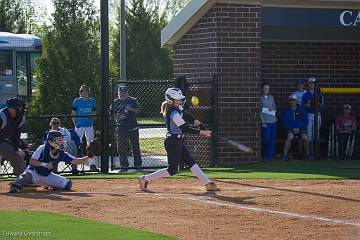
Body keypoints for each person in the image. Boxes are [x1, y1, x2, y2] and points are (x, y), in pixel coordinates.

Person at [138, 88, 219, 192]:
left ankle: (207, 183)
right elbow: (185, 128)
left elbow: (187, 115)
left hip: (178, 142)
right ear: (170, 100)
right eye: (177, 99)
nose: (180, 101)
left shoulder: (178, 109)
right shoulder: (173, 113)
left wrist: (198, 123)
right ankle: (145, 179)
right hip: (172, 143)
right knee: (172, 170)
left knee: (191, 162)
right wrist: (203, 132)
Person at [9, 130, 93, 193]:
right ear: (50, 141)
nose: (61, 142)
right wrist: (44, 164)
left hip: (46, 175)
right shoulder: (42, 148)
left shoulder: (62, 153)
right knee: (26, 176)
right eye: (58, 140)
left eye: (62, 140)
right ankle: (15, 185)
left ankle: (40, 184)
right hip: (33, 172)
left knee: (67, 185)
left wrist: (89, 156)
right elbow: (32, 162)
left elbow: (76, 161)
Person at [109, 85, 142, 169]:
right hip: (120, 127)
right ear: (118, 93)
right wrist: (119, 117)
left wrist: (130, 109)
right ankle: (124, 165)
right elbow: (111, 115)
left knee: (135, 146)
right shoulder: (115, 102)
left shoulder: (133, 100)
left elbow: (138, 111)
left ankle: (138, 165)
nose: (122, 94)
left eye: (124, 92)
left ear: (127, 93)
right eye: (121, 93)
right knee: (121, 147)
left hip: (132, 127)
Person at [71, 85, 98, 171]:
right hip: (79, 126)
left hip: (89, 126)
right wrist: (76, 124)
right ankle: (74, 165)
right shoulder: (76, 101)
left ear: (87, 92)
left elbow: (94, 113)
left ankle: (92, 164)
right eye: (80, 91)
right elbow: (73, 114)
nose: (80, 93)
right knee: (75, 144)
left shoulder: (92, 101)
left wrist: (91, 122)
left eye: (82, 91)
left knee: (91, 145)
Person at [0, 97, 27, 176]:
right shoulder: (2, 117)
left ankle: (23, 179)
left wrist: (16, 148)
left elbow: (16, 135)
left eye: (21, 108)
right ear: (10, 108)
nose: (20, 110)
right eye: (18, 108)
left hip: (2, 140)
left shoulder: (20, 119)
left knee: (16, 155)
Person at [280, 95, 310, 161]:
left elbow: (305, 121)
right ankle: (284, 155)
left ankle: (308, 155)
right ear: (289, 102)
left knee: (305, 137)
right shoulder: (286, 111)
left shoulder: (302, 110)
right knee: (290, 136)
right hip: (290, 128)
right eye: (290, 100)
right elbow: (284, 122)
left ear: (296, 101)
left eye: (293, 100)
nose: (292, 102)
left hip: (300, 128)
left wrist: (298, 127)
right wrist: (293, 127)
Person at [302, 76, 324, 157]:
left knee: (316, 134)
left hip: (317, 115)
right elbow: (302, 106)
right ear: (308, 85)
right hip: (309, 114)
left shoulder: (319, 94)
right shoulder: (305, 94)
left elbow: (322, 107)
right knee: (309, 135)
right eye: (310, 83)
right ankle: (309, 153)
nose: (312, 85)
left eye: (313, 83)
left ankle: (316, 153)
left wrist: (317, 103)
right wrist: (306, 105)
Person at [260, 83, 277, 161]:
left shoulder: (271, 97)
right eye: (265, 88)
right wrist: (262, 122)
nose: (267, 90)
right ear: (262, 89)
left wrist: (272, 108)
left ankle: (271, 155)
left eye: (268, 88)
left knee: (272, 139)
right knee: (266, 138)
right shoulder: (260, 98)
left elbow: (274, 107)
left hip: (273, 120)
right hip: (265, 121)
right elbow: (259, 111)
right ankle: (266, 155)